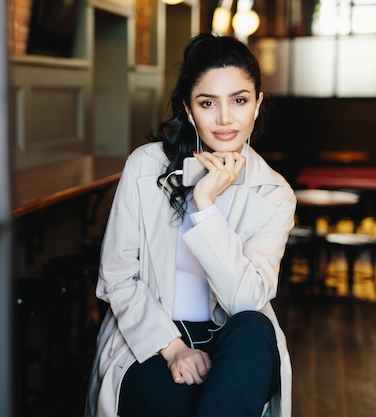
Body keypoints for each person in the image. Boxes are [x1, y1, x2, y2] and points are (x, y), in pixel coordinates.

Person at [85, 33, 296, 417]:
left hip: (234, 344)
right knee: (182, 403)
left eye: (239, 100)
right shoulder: (144, 167)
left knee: (253, 328)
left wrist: (204, 207)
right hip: (151, 335)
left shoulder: (274, 193)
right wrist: (174, 348)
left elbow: (247, 301)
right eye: (208, 103)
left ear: (257, 104)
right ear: (188, 108)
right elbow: (117, 277)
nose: (226, 118)